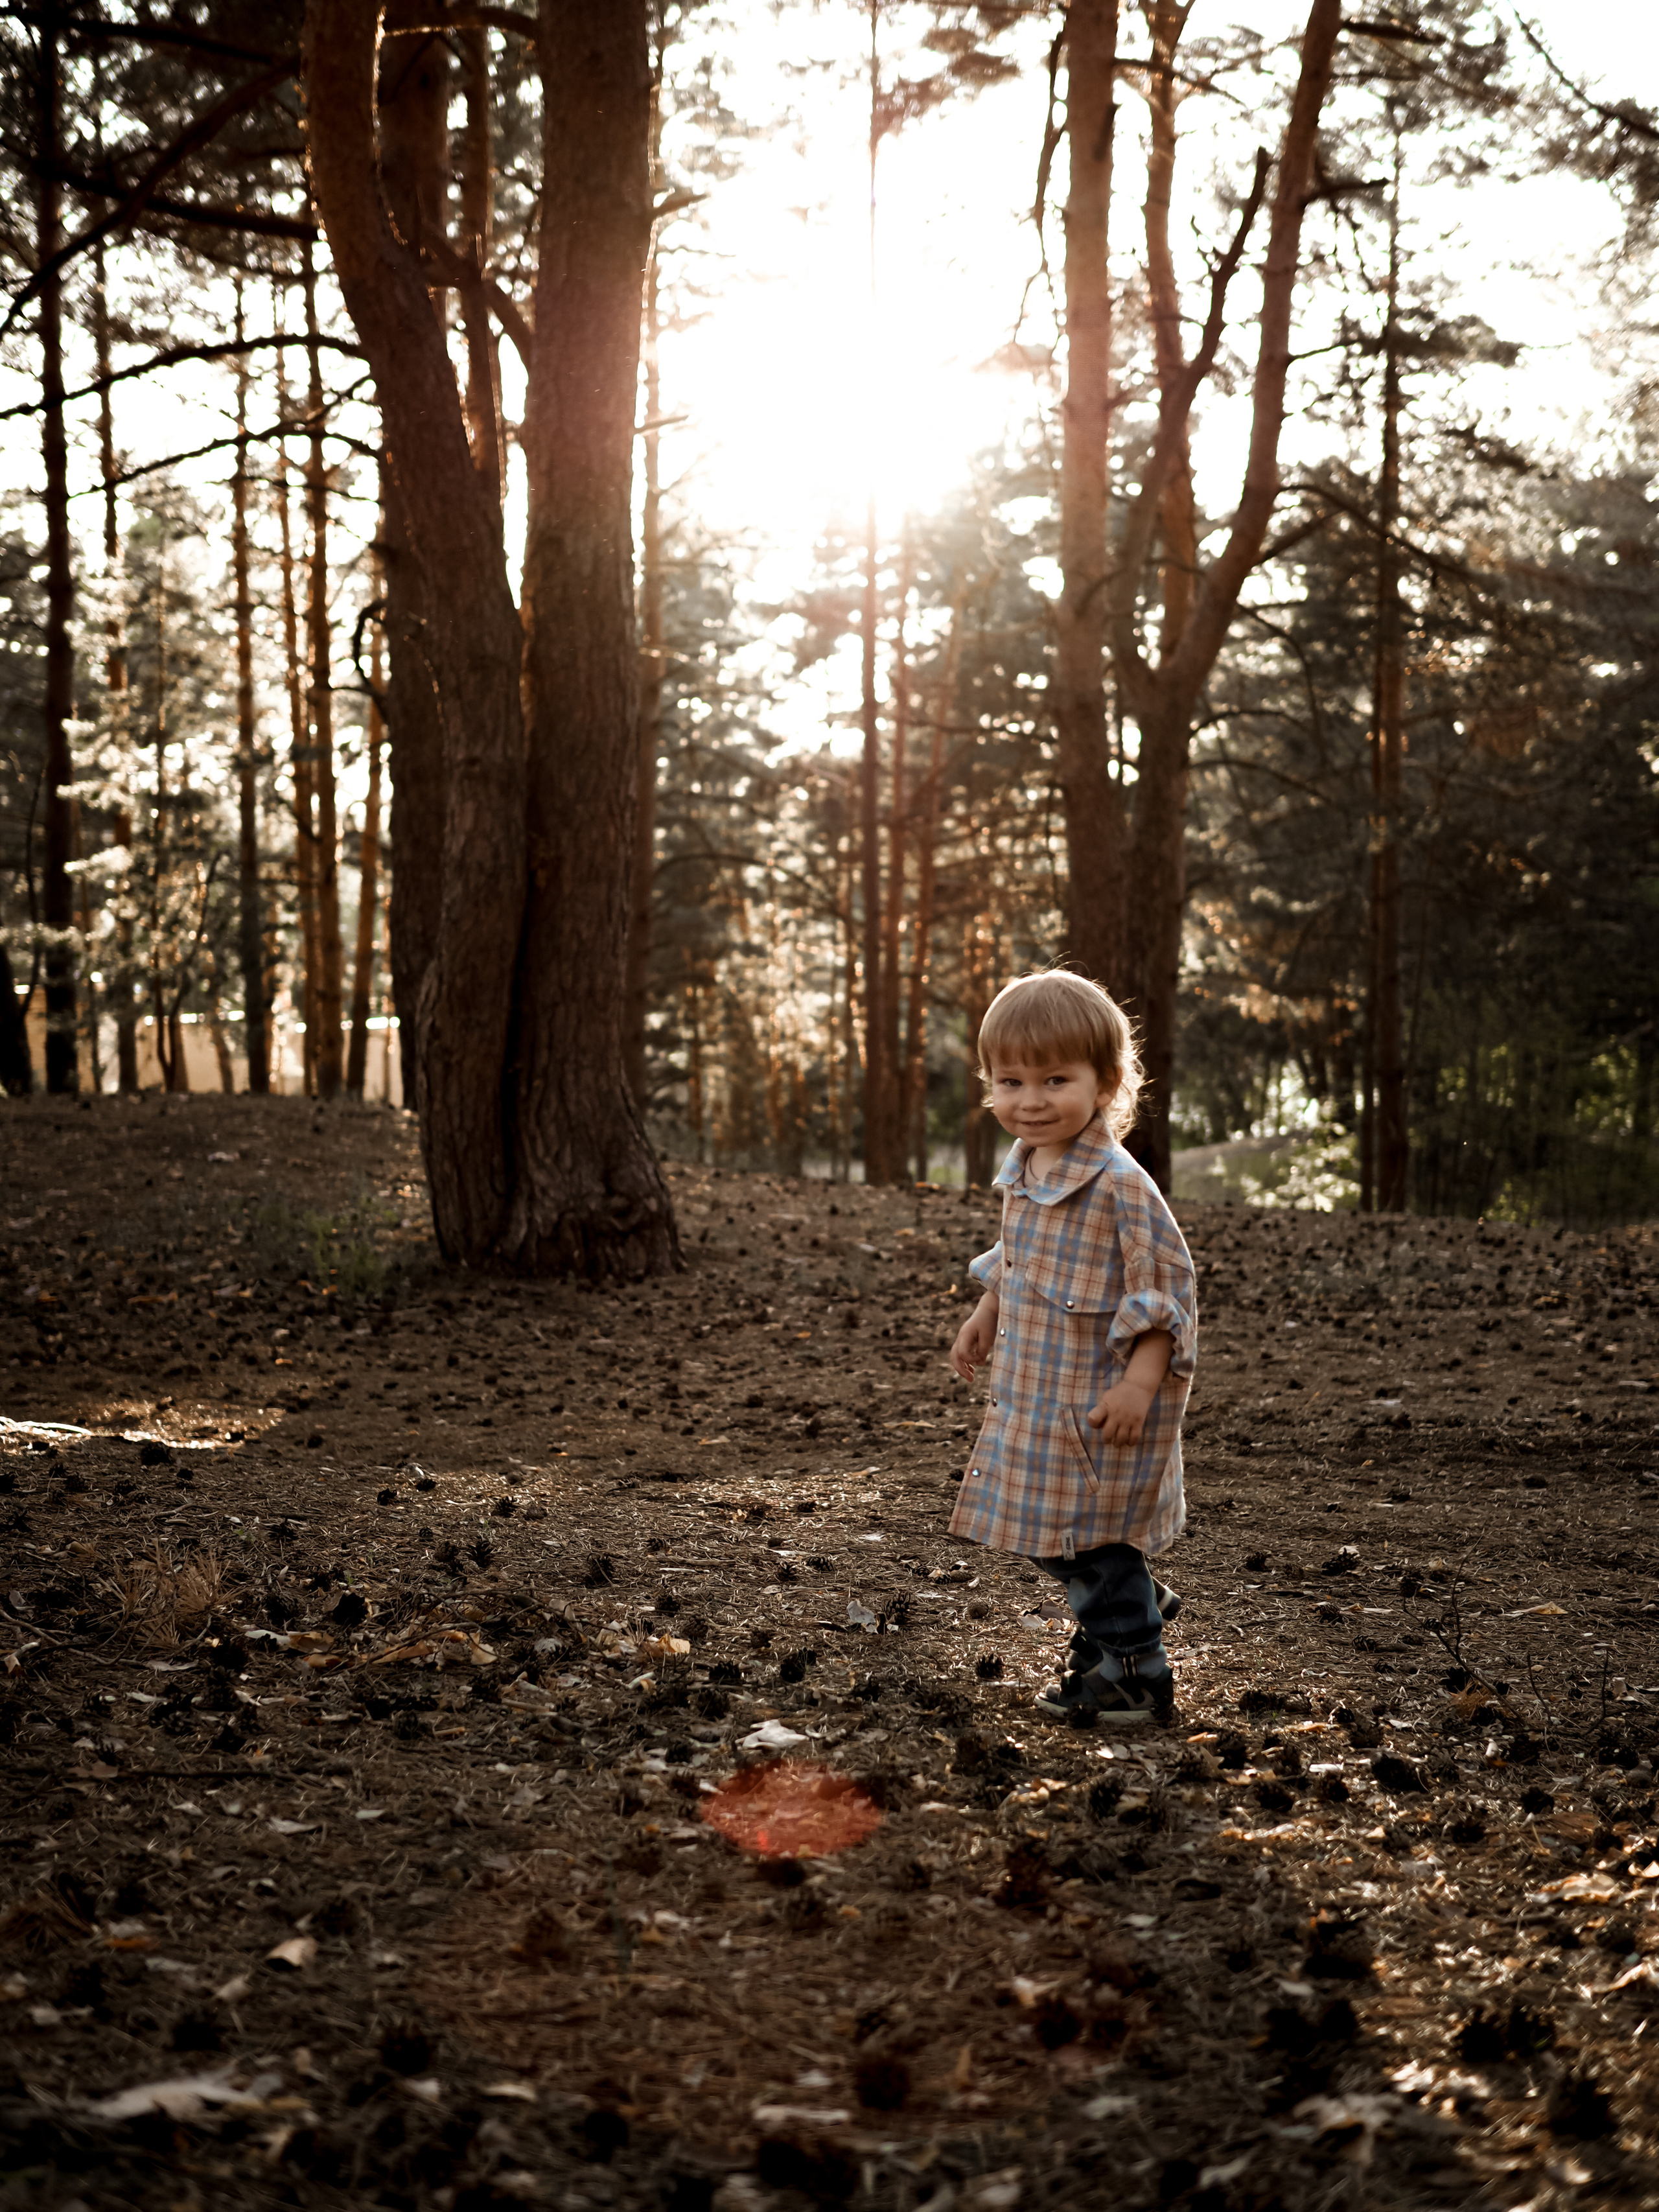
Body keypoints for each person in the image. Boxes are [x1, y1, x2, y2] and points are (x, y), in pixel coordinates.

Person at [949, 970, 1198, 1725]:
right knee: (1040, 1527)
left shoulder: (1121, 1187)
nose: (1030, 1099)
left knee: (1085, 1537)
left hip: (1097, 1407)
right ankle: (1130, 1599)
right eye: (1010, 1080)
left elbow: (1163, 1295)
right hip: (1036, 1395)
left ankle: (1133, 1671)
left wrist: (1139, 1385)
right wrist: (987, 1308)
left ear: (1106, 1083)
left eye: (1055, 1079)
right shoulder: (1024, 1168)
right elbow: (1021, 1257)